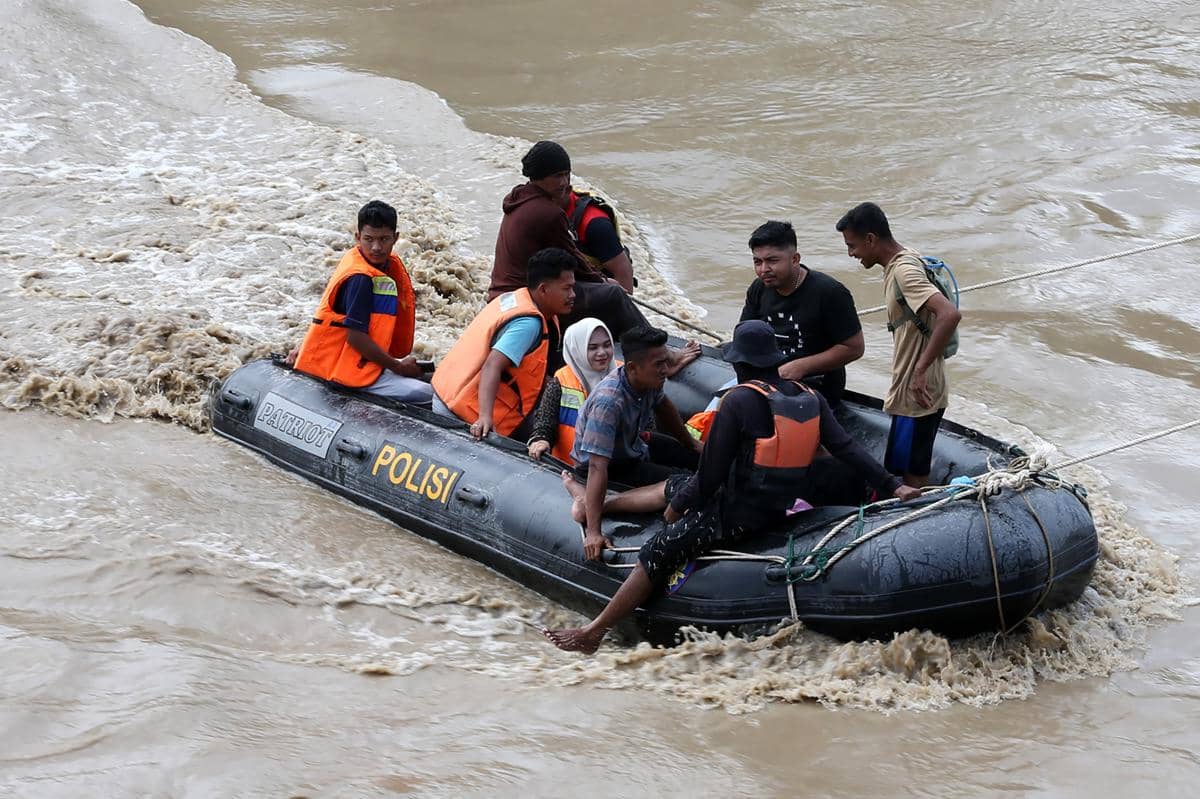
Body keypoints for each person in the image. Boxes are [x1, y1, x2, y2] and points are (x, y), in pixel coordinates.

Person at [545, 320, 922, 654]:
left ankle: (594, 632)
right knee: (678, 484)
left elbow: (709, 477)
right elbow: (846, 447)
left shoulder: (739, 400)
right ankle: (597, 505)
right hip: (776, 506)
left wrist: (677, 512)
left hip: (733, 516)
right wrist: (894, 485)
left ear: (740, 364)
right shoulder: (810, 397)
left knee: (658, 551)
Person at [489, 140, 699, 372]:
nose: (565, 182)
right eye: (557, 176)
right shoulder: (547, 213)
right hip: (529, 298)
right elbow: (573, 259)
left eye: (567, 174)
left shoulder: (519, 199)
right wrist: (602, 281)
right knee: (613, 294)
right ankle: (664, 358)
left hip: (506, 296)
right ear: (538, 177)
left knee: (601, 290)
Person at [836, 202, 962, 488]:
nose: (851, 253)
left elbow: (949, 314)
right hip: (913, 387)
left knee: (912, 467)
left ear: (871, 239)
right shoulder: (906, 259)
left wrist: (919, 371)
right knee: (903, 461)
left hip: (919, 390)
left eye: (852, 245)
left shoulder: (904, 272)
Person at [571, 326, 701, 560]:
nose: (665, 370)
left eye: (665, 361)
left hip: (634, 446)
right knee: (683, 483)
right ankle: (590, 505)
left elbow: (663, 406)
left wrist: (690, 443)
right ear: (632, 367)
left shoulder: (650, 381)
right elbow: (596, 466)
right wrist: (593, 532)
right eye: (658, 364)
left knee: (701, 458)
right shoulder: (608, 402)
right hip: (612, 465)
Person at [290, 200, 432, 405]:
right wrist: (398, 367)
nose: (376, 247)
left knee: (438, 381)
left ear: (396, 238)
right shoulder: (361, 279)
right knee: (430, 395)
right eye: (369, 239)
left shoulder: (380, 267)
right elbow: (355, 338)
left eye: (384, 239)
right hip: (345, 373)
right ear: (358, 238)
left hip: (363, 364)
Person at [431, 247, 576, 441]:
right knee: (557, 430)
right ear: (543, 289)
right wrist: (484, 417)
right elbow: (492, 365)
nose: (573, 295)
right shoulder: (528, 325)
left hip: (445, 393)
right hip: (462, 412)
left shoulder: (515, 298)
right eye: (567, 289)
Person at [739, 220, 863, 407]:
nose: (764, 269)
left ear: (795, 259)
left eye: (772, 261)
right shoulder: (759, 288)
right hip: (768, 379)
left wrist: (800, 367)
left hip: (816, 385)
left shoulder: (830, 292)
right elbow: (744, 337)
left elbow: (854, 348)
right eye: (758, 262)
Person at [526, 317, 618, 464]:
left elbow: (645, 425)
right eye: (593, 347)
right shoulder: (561, 381)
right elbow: (545, 422)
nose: (602, 353)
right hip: (566, 468)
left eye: (607, 345)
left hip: (613, 469)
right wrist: (541, 439)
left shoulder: (625, 377)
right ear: (577, 350)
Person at [565, 188, 634, 293]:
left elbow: (623, 271)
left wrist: (625, 306)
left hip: (598, 289)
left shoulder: (596, 225)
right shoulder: (538, 207)